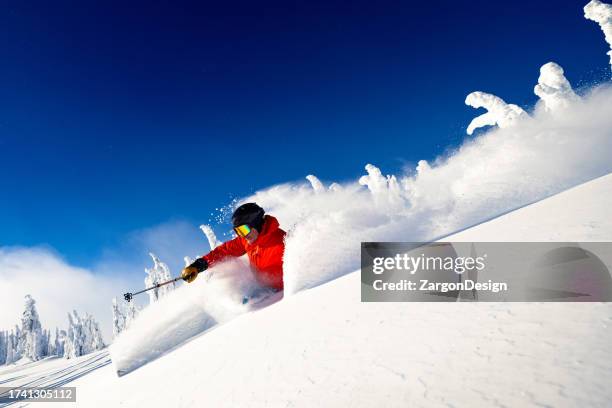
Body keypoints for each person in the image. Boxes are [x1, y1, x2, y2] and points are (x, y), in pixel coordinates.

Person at [181, 203, 286, 290]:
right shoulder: (246, 241)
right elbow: (224, 251)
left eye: (243, 230)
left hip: (283, 296)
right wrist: (199, 265)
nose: (242, 235)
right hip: (264, 292)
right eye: (238, 231)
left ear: (257, 223)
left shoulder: (283, 242)